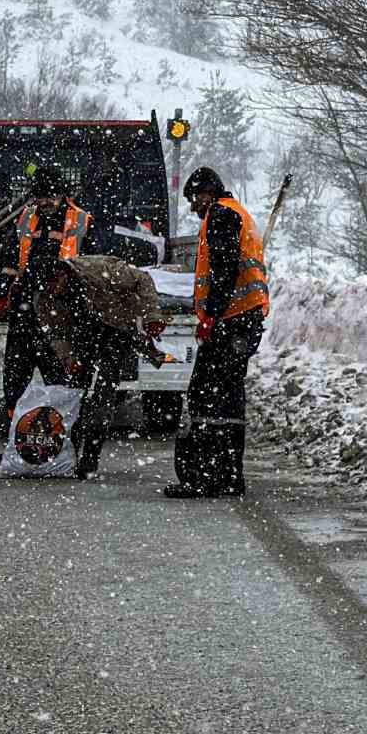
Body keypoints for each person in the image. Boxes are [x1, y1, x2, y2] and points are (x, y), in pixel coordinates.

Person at [164, 166, 269, 498]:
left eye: (195, 200)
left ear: (207, 193)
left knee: (205, 397)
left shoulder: (222, 216)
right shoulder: (239, 214)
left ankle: (203, 477)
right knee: (229, 400)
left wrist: (210, 315)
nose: (194, 208)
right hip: (244, 321)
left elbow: (223, 270)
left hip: (230, 321)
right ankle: (229, 476)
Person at [34, 255, 171, 479]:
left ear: (63, 275)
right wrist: (68, 358)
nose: (52, 291)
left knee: (102, 400)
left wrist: (151, 316)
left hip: (114, 334)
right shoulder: (45, 295)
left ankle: (90, 457)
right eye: (46, 288)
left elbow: (143, 280)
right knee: (74, 399)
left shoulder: (99, 271)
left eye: (53, 285)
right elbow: (56, 331)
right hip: (81, 340)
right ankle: (67, 455)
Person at [0, 165, 94, 417]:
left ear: (63, 195)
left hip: (62, 310)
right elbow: (10, 259)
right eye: (41, 195)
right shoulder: (27, 217)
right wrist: (2, 295)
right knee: (15, 374)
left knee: (60, 377)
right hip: (25, 307)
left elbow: (91, 266)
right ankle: (16, 429)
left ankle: (58, 431)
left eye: (51, 195)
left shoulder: (81, 220)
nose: (46, 201)